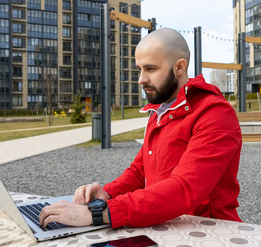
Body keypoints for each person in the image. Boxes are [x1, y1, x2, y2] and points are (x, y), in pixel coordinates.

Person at [40, 28, 242, 229]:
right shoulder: (161, 110)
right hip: (165, 225)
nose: (141, 79)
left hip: (210, 231)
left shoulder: (214, 114)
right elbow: (140, 170)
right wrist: (107, 194)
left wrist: (100, 213)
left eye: (151, 69)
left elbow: (185, 189)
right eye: (140, 69)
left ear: (179, 67)